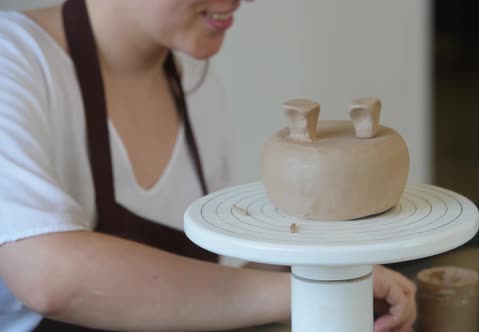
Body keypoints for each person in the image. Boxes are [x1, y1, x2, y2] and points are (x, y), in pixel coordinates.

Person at [0, 0, 417, 331]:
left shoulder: (200, 94)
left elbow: (207, 286)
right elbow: (46, 275)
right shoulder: (15, 61)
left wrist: (336, 270)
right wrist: (308, 294)